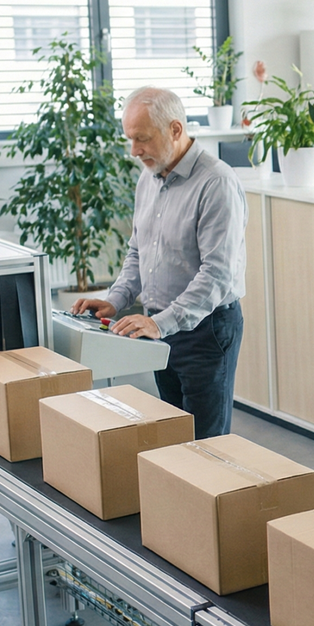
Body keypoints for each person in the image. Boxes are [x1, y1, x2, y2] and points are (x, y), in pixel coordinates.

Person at [73, 87, 247, 440]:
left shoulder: (217, 182)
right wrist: (116, 299)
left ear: (175, 130)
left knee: (205, 444)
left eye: (143, 139)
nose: (135, 151)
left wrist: (159, 323)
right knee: (174, 436)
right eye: (130, 139)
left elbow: (216, 274)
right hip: (161, 329)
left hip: (205, 330)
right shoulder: (148, 178)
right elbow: (139, 251)